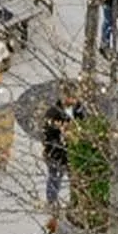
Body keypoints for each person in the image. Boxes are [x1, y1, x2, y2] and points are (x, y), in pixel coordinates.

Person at [41, 80, 83, 209]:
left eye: (75, 97)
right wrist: (62, 138)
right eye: (70, 97)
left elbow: (83, 124)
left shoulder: (79, 110)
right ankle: (51, 202)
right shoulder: (53, 113)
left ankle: (75, 202)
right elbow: (47, 136)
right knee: (54, 178)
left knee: (75, 180)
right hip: (56, 154)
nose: (73, 100)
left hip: (74, 153)